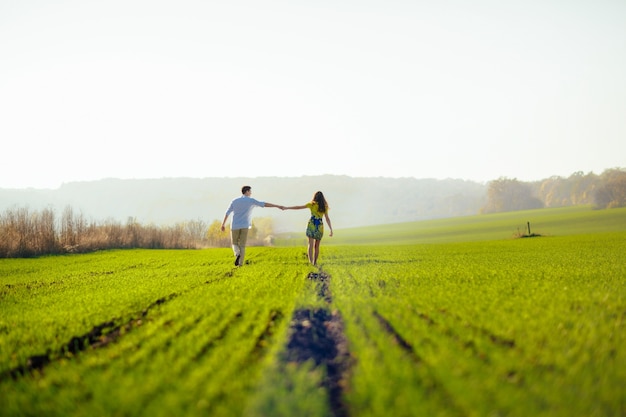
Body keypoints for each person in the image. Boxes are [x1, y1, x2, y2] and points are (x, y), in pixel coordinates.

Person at [221, 186, 283, 266]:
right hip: (245, 225)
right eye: (250, 191)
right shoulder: (251, 201)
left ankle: (237, 254)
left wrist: (223, 224)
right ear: (246, 192)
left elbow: (227, 213)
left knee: (234, 243)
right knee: (242, 245)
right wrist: (277, 206)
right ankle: (240, 264)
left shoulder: (234, 201)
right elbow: (264, 204)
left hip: (235, 225)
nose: (251, 193)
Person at [284, 191, 333, 266]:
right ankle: (315, 262)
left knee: (310, 245)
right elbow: (327, 219)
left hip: (311, 225)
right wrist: (331, 229)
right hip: (319, 227)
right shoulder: (324, 207)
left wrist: (287, 208)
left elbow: (298, 207)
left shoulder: (312, 204)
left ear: (315, 197)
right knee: (316, 246)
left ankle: (311, 262)